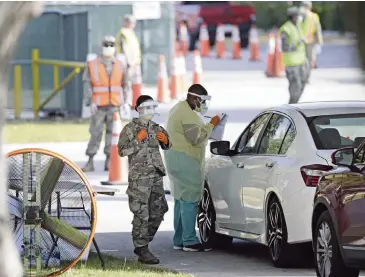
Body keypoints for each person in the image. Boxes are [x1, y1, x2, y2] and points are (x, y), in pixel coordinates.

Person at [164, 84, 221, 252]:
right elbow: (196, 138)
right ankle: (189, 240)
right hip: (186, 160)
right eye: (202, 100)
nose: (203, 104)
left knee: (181, 200)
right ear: (195, 98)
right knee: (190, 200)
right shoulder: (188, 114)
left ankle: (179, 239)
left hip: (174, 158)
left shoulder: (178, 108)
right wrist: (212, 125)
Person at [117, 95, 170, 264]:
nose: (149, 112)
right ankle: (142, 248)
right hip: (139, 179)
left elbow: (168, 144)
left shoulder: (156, 128)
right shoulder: (129, 129)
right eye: (145, 108)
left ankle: (143, 241)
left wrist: (166, 140)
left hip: (155, 175)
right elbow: (122, 151)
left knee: (159, 210)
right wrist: (138, 140)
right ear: (137, 109)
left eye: (151, 108)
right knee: (141, 213)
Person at [82, 35, 131, 172]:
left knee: (112, 134)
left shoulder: (120, 65)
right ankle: (90, 161)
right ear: (101, 46)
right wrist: (90, 101)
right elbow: (87, 84)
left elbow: (126, 84)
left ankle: (109, 161)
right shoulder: (92, 64)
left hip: (114, 105)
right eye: (106, 44)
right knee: (95, 133)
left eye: (111, 44)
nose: (108, 47)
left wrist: (126, 102)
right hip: (98, 106)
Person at [279, 7, 308, 104]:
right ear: (293, 17)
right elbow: (285, 48)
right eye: (297, 16)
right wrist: (298, 43)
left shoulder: (298, 26)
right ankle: (291, 107)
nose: (299, 17)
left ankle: (294, 105)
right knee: (295, 87)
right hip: (292, 64)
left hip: (301, 62)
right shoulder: (286, 29)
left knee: (302, 83)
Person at [116, 14, 141, 111]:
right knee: (125, 84)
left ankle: (127, 103)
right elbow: (124, 49)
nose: (134, 25)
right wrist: (129, 62)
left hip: (133, 63)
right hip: (127, 64)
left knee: (128, 84)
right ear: (127, 23)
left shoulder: (130, 32)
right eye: (132, 23)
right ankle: (125, 103)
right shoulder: (124, 33)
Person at [299, 1, 323, 74]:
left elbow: (317, 29)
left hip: (305, 41)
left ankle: (305, 75)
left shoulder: (311, 16)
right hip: (306, 41)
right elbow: (318, 30)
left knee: (306, 59)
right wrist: (319, 41)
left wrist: (319, 41)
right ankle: (305, 75)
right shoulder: (302, 16)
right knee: (307, 59)